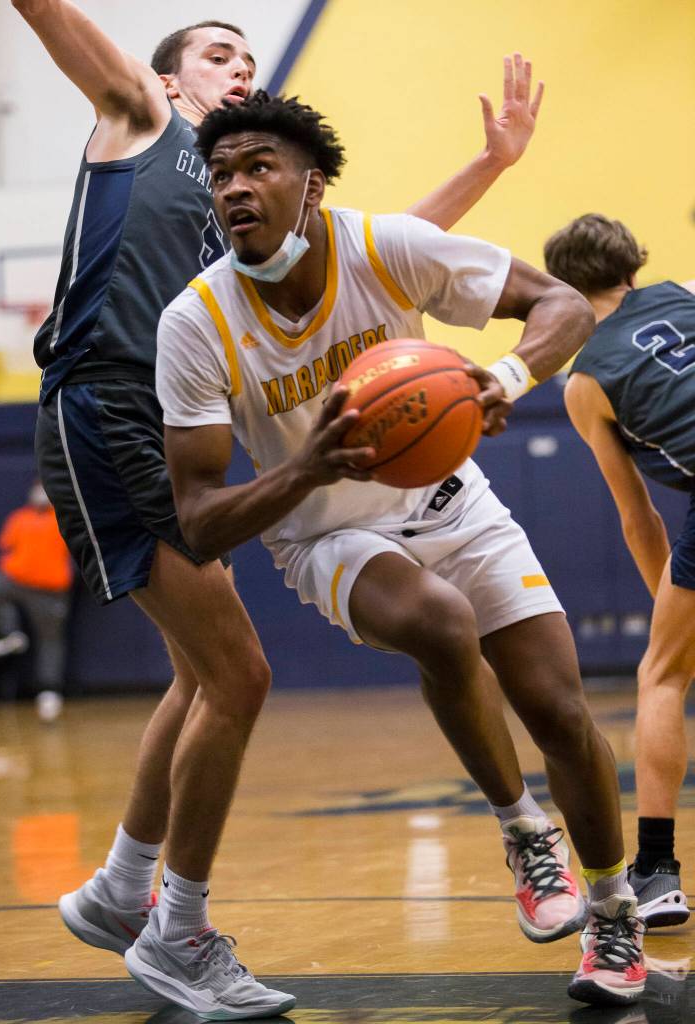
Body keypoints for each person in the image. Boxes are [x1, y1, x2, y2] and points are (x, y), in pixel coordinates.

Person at [12, 2, 544, 1017]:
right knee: (237, 675)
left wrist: (492, 164)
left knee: (201, 674)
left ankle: (123, 888)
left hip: (179, 422)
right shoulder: (142, 120)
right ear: (168, 81)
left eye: (250, 58)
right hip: (107, 406)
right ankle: (176, 931)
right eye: (219, 55)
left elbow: (384, 245)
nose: (241, 69)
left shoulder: (250, 195)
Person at [155, 91, 647, 1009]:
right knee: (441, 625)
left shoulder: (386, 248)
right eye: (220, 175)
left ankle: (615, 912)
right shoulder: (196, 323)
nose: (234, 188)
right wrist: (303, 470)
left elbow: (563, 305)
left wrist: (504, 376)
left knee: (559, 709)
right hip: (328, 533)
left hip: (451, 500)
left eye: (259, 167)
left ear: (313, 186)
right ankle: (523, 830)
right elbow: (198, 521)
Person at [545, 213, 694, 929]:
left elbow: (639, 519)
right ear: (633, 266)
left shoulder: (584, 383)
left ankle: (658, 872)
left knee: (662, 676)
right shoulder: (686, 292)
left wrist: (672, 610)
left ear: (564, 293)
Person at [0, 480, 73, 721]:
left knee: (51, 640)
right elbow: (6, 547)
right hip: (15, 580)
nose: (41, 493)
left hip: (49, 590)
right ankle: (10, 633)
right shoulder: (19, 518)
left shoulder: (66, 519)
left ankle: (49, 692)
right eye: (38, 488)